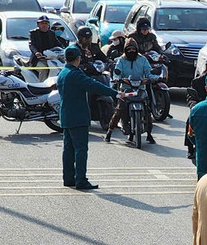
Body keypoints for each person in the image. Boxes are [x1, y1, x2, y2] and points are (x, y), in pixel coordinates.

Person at [56, 46, 119, 190]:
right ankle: (81, 180)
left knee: (68, 150)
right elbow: (94, 85)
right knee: (81, 149)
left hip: (66, 116)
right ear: (78, 59)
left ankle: (68, 178)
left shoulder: (63, 73)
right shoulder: (75, 75)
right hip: (78, 117)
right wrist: (115, 93)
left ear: (66, 58)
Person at [105, 39, 154, 144]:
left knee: (147, 109)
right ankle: (110, 131)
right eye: (129, 49)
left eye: (133, 49)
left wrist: (150, 78)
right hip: (126, 89)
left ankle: (149, 133)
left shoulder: (143, 60)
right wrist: (118, 78)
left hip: (140, 89)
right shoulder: (121, 60)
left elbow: (149, 71)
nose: (131, 51)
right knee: (119, 110)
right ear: (125, 50)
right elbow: (117, 72)